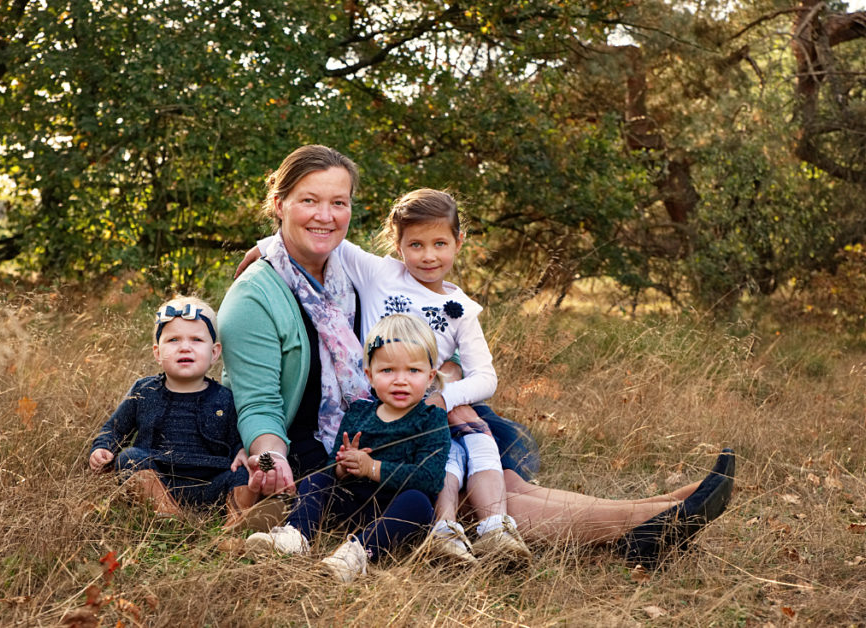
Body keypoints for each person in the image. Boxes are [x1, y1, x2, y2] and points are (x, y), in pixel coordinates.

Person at [219, 144, 734, 571]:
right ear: (279, 202)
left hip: (393, 409)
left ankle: (662, 510)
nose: (326, 216)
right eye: (310, 200)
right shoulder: (255, 297)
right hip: (330, 447)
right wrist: (271, 456)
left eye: (339, 202)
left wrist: (441, 388)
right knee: (469, 495)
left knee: (500, 480)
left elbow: (412, 324)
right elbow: (258, 403)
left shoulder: (342, 269)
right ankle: (644, 525)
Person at [242, 188, 528, 564]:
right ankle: (297, 537)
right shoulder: (379, 273)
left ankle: (490, 528)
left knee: (472, 447)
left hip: (428, 404)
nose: (428, 256)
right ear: (397, 244)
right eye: (416, 245)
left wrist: (445, 396)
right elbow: (321, 240)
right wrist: (265, 249)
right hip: (378, 401)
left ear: (459, 242)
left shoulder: (462, 311)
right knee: (334, 472)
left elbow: (486, 377)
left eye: (440, 243)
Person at [245, 314, 452, 582]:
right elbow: (333, 467)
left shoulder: (431, 419)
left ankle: (357, 555)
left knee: (418, 503)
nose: (401, 380)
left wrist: (373, 468)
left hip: (395, 511)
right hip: (353, 505)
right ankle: (295, 536)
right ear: (370, 375)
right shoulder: (359, 413)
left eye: (413, 371)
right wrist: (342, 469)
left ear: (430, 376)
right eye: (388, 370)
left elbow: (431, 479)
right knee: (317, 480)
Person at [88, 296, 278, 531]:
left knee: (243, 472)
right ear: (157, 352)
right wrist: (103, 448)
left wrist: (241, 450)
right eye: (173, 340)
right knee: (129, 457)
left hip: (211, 483)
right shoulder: (144, 391)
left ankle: (236, 523)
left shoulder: (225, 398)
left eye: (196, 339)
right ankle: (168, 517)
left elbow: (237, 439)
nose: (185, 346)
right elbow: (115, 428)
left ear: (214, 352)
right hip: (159, 479)